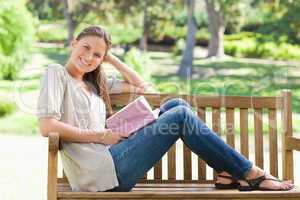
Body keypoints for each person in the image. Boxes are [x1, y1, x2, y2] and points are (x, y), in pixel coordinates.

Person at [37, 25, 294, 192]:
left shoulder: (94, 84)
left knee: (175, 105)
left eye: (97, 55)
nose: (89, 57)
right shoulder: (55, 73)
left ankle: (227, 173)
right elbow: (47, 126)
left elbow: (144, 88)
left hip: (111, 157)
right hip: (100, 174)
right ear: (73, 43)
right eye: (86, 48)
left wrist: (111, 58)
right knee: (181, 115)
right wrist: (101, 136)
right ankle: (250, 172)